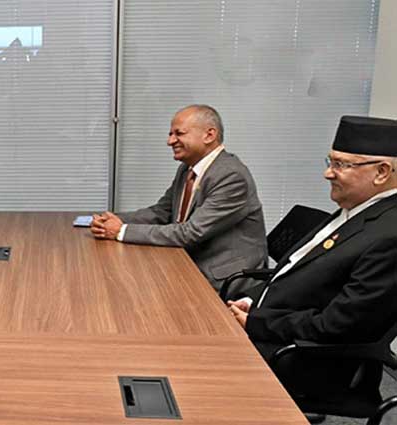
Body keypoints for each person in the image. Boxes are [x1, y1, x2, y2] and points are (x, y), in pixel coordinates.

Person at [228, 115, 397, 407]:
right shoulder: (354, 209)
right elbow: (295, 273)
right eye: (330, 161)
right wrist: (250, 300)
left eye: (341, 164)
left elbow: (338, 325)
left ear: (381, 172)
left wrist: (258, 322)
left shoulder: (389, 234)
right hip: (277, 332)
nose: (328, 173)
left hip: (307, 359)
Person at [91, 104, 267, 294]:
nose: (170, 141)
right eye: (170, 134)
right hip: (186, 261)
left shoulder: (231, 176)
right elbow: (161, 212)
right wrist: (113, 220)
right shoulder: (188, 168)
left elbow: (190, 232)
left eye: (179, 133)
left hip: (221, 278)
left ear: (209, 135)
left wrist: (121, 231)